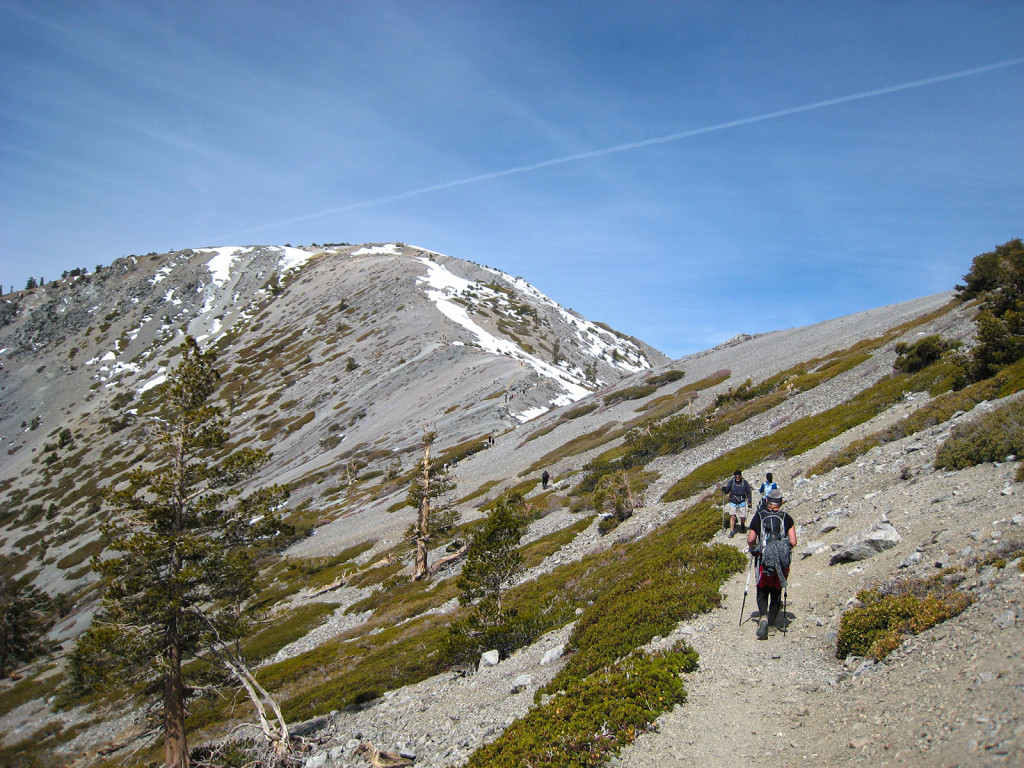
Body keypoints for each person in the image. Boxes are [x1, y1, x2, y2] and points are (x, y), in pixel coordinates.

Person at [746, 488, 797, 639]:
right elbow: (793, 542)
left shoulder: (759, 516)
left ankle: (763, 617)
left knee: (762, 588)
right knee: (776, 591)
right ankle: (772, 626)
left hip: (764, 558)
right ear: (781, 502)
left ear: (767, 501)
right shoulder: (786, 518)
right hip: (780, 561)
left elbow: (750, 539)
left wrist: (754, 548)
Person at [721, 469, 752, 537]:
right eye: (736, 476)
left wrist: (749, 502)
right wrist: (724, 489)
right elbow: (727, 490)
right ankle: (732, 531)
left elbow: (748, 492)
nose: (737, 478)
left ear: (741, 476)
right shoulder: (732, 482)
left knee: (743, 516)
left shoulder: (744, 483)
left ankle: (742, 523)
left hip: (742, 501)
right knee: (733, 516)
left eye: (738, 476)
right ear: (734, 476)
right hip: (733, 501)